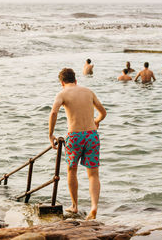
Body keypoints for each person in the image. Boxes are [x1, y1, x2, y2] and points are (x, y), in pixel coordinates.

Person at [49, 68, 107, 220]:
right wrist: (96, 121)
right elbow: (103, 112)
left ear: (62, 82)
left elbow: (54, 112)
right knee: (93, 174)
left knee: (71, 170)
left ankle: (74, 206)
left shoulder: (62, 94)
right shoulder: (88, 91)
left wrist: (50, 134)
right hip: (91, 135)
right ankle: (94, 207)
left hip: (74, 136)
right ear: (75, 80)